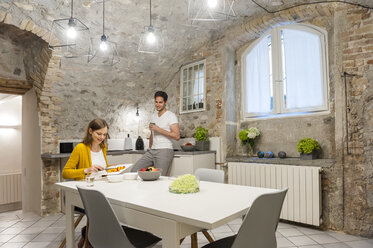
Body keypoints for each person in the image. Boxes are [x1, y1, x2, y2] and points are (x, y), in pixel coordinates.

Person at [62, 118, 109, 248]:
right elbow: (65, 173)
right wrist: (86, 170)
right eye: (99, 134)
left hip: (102, 190)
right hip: (84, 193)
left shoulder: (103, 147)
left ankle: (88, 236)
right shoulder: (80, 148)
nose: (102, 137)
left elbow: (103, 168)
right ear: (90, 131)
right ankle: (90, 239)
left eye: (104, 134)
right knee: (105, 212)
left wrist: (111, 169)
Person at [131, 91, 180, 176]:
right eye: (156, 102)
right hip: (152, 151)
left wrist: (159, 129)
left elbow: (177, 136)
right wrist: (150, 148)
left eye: (160, 102)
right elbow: (152, 134)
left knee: (159, 177)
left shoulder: (170, 116)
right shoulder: (153, 116)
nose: (157, 104)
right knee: (134, 171)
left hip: (164, 150)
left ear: (165, 102)